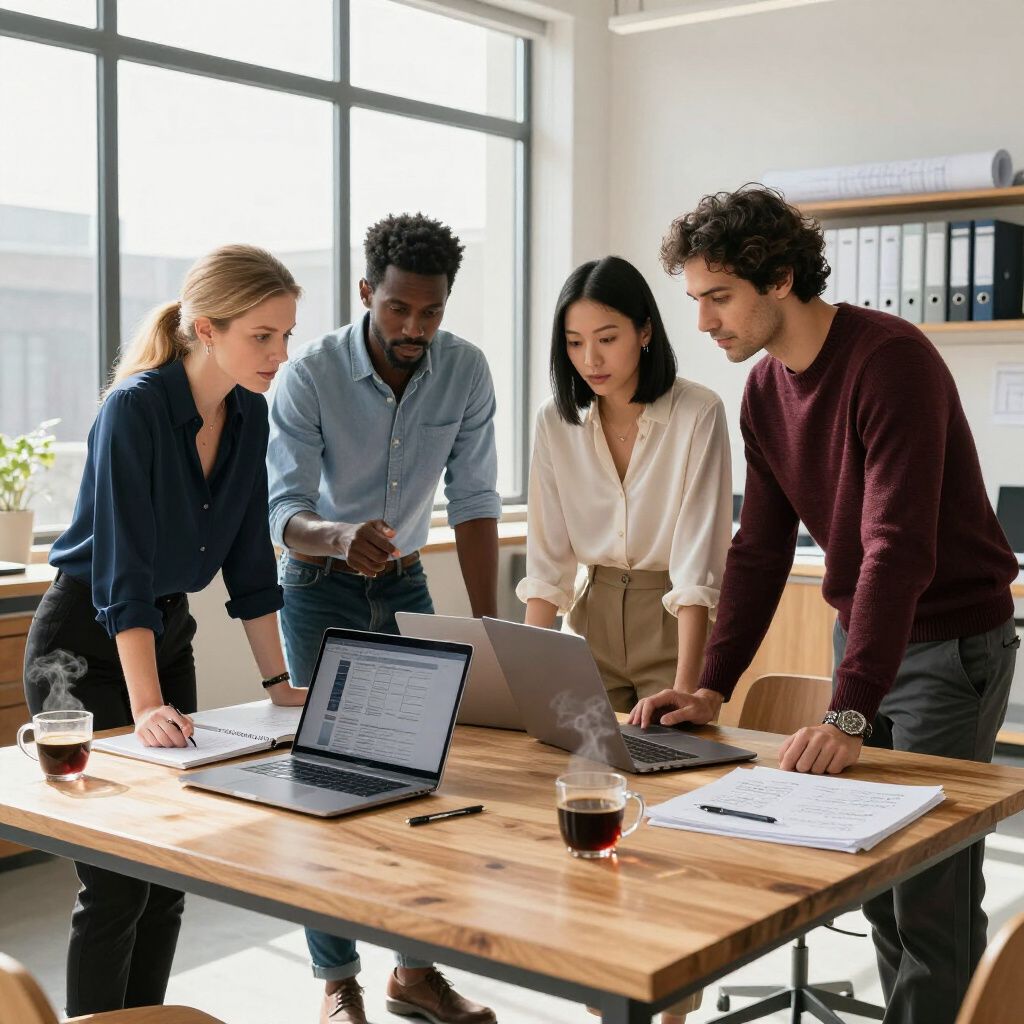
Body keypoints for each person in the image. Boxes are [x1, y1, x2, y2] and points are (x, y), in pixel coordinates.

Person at [637, 185, 1020, 1024]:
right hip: (871, 632)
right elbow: (760, 549)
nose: (703, 322)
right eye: (694, 299)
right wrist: (710, 684)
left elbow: (897, 547)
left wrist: (847, 714)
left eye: (717, 297)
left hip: (953, 640)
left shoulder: (892, 360)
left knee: (928, 889)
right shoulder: (765, 393)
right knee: (877, 879)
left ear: (779, 278)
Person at [23, 244, 309, 1017]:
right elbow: (121, 574)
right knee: (116, 880)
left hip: (162, 636)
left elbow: (253, 563)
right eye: (263, 336)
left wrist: (278, 684)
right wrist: (146, 705)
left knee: (169, 872)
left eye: (287, 335)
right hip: (83, 644)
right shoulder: (136, 409)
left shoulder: (251, 413)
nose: (280, 354)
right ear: (206, 330)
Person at [268, 212, 500, 1024]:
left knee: (421, 781)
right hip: (316, 587)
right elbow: (283, 510)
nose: (414, 328)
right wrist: (336, 537)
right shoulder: (309, 376)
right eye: (399, 309)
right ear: (367, 293)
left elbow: (474, 503)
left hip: (404, 586)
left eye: (431, 312)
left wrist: (489, 630)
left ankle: (415, 971)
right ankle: (338, 981)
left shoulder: (464, 372)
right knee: (325, 788)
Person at [518, 255, 733, 1024]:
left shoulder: (698, 411)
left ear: (645, 330)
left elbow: (703, 558)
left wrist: (688, 679)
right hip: (586, 622)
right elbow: (547, 566)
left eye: (607, 337)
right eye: (574, 344)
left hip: (669, 622)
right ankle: (607, 997)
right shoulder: (555, 423)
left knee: (675, 825)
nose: (592, 360)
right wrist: (529, 679)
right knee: (586, 823)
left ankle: (672, 1006)